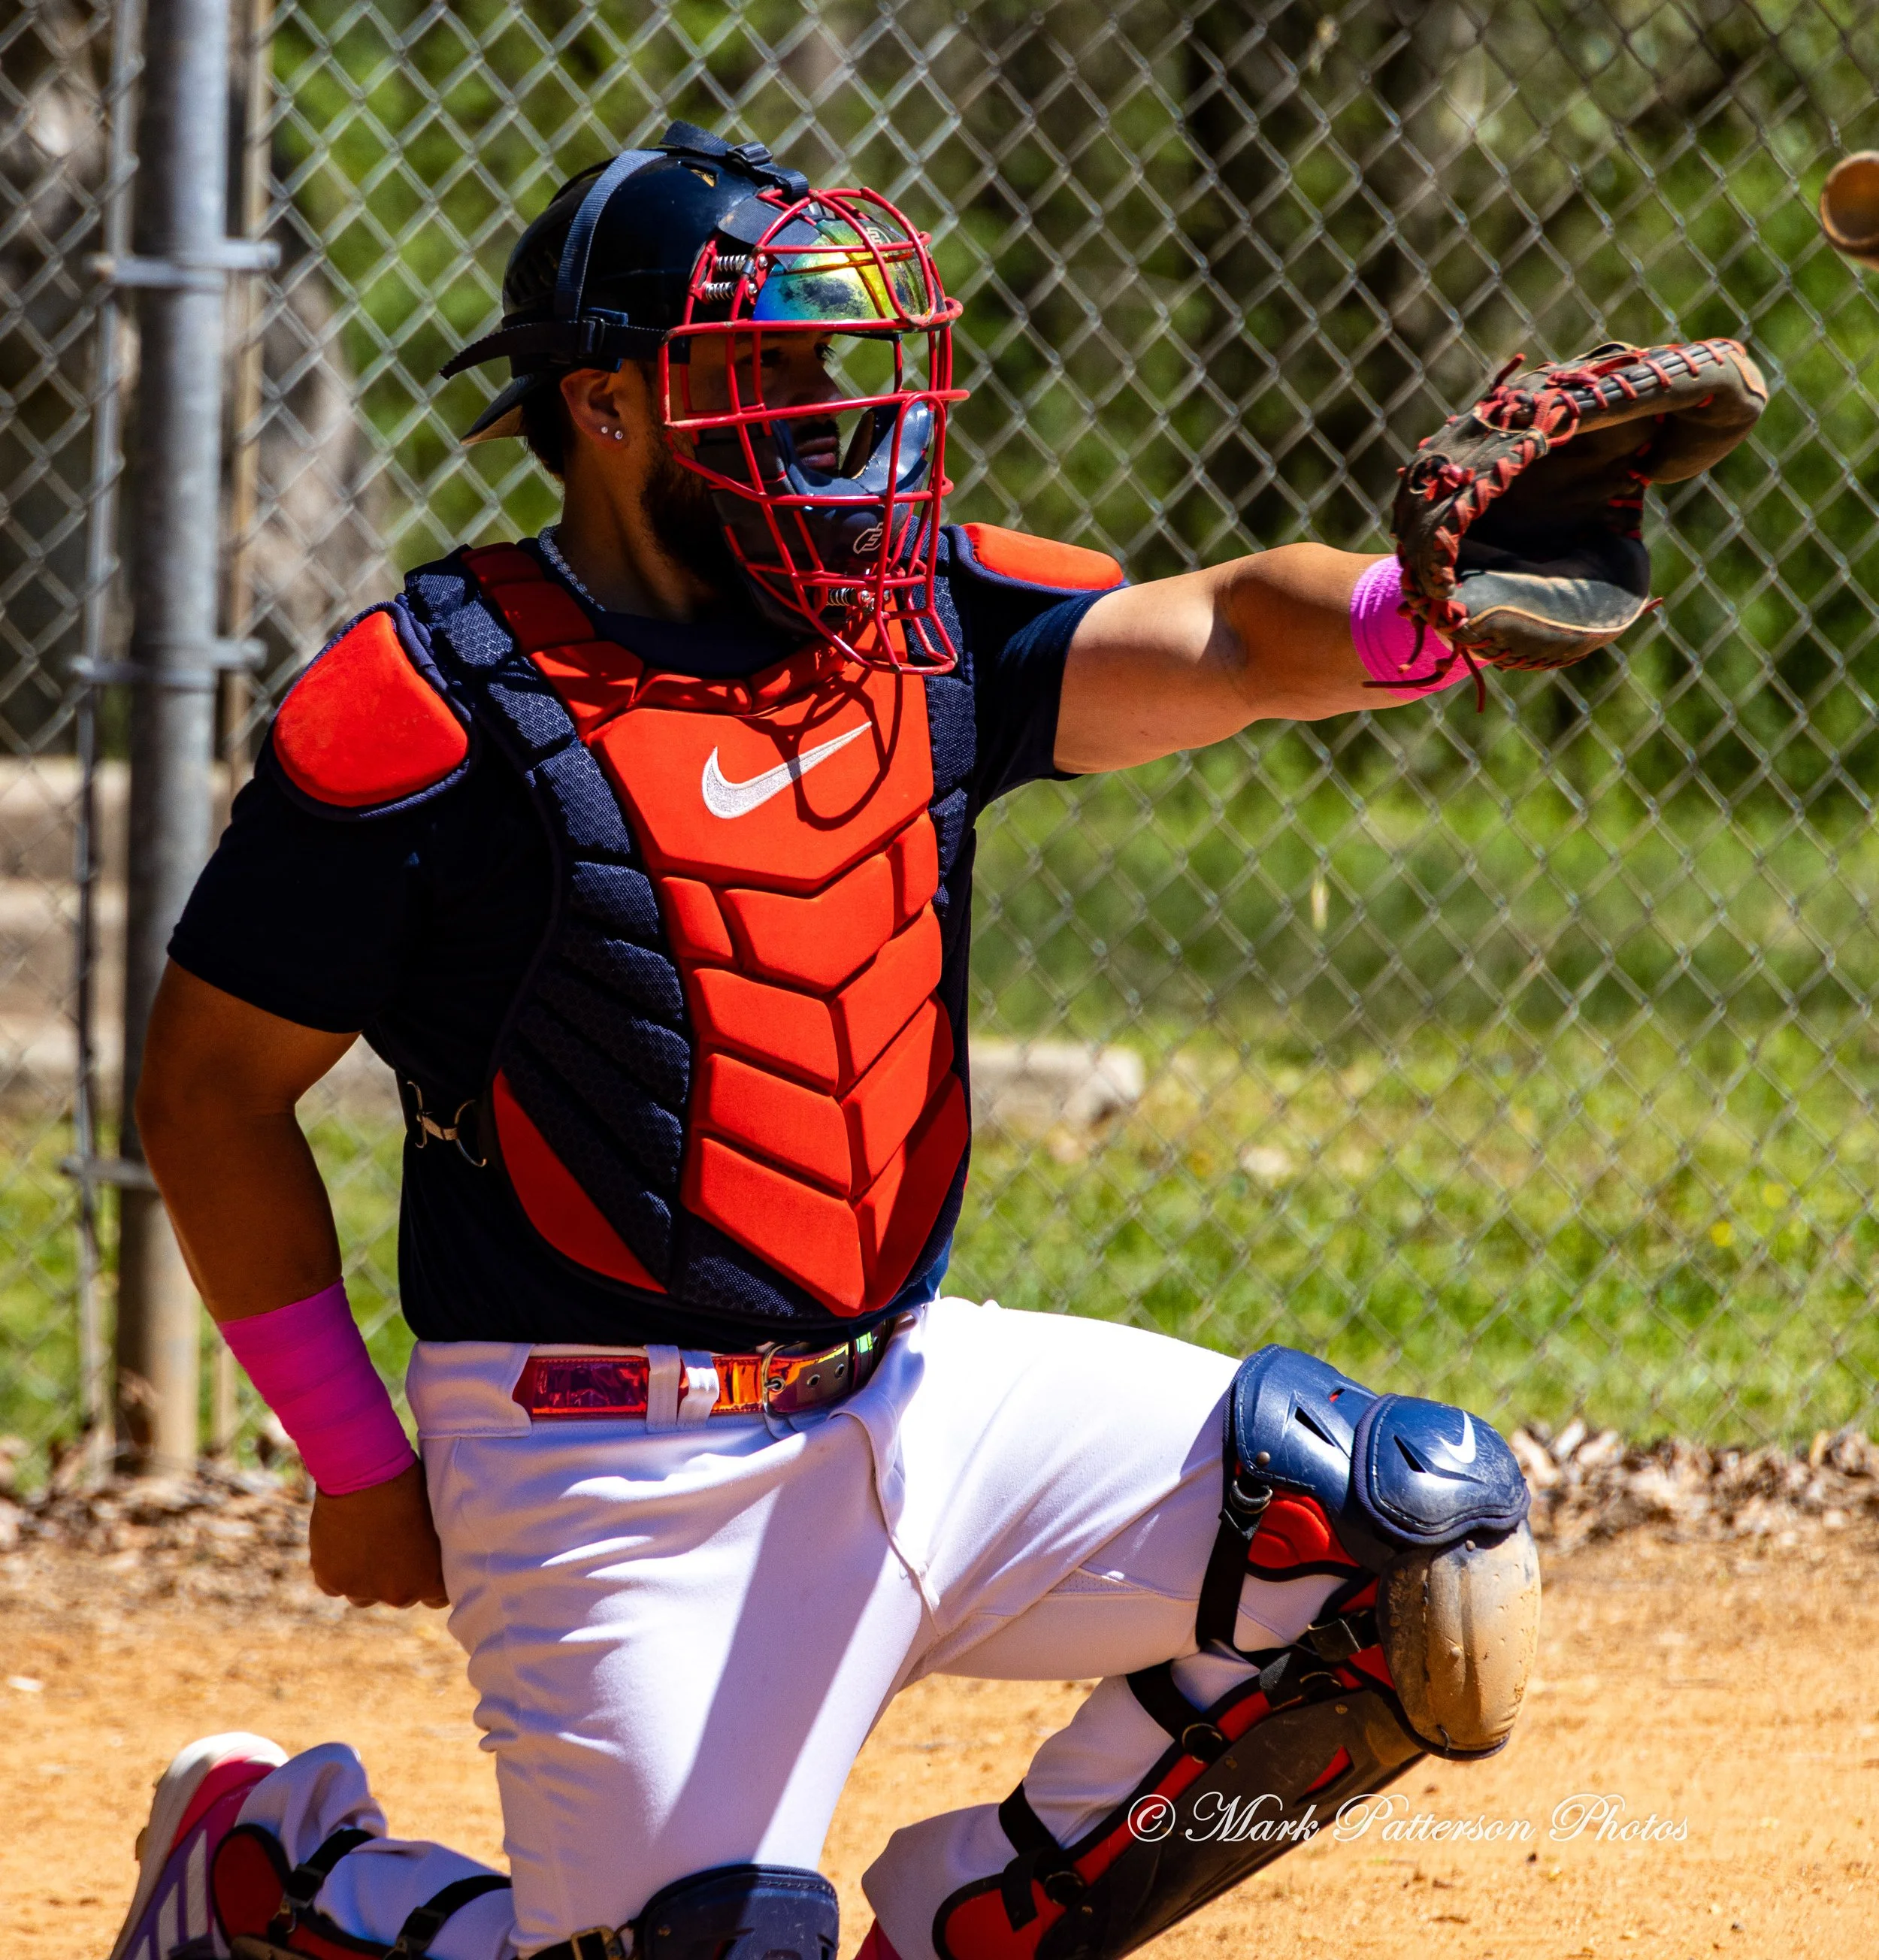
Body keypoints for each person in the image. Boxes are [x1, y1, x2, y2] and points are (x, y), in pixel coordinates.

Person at [107, 122, 1542, 1960]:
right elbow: (207, 1089)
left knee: (1414, 1544)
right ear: (610, 405)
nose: (829, 419)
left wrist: (1415, 610)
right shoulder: (441, 704)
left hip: (916, 1392)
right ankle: (263, 1879)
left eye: (832, 370)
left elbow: (1223, 635)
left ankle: (982, 1920)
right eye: (760, 376)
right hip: (608, 1463)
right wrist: (358, 1463)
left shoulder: (913, 621)